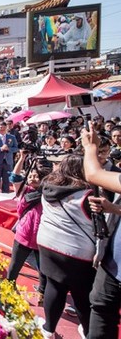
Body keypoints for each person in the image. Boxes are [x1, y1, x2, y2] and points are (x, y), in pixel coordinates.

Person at [36, 154, 96, 338]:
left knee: (54, 286)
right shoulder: (86, 194)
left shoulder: (47, 186)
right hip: (77, 252)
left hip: (48, 243)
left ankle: (48, 329)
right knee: (82, 294)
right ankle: (88, 332)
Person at [81, 122, 121, 339]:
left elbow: (94, 174)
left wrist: (90, 147)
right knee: (101, 310)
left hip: (115, 264)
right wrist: (114, 208)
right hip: (114, 261)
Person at [6, 151, 49, 303]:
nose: (32, 178)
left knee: (43, 270)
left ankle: (42, 295)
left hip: (41, 237)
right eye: (30, 175)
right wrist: (22, 158)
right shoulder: (23, 190)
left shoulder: (49, 193)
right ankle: (9, 289)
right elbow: (15, 176)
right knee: (15, 264)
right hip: (23, 234)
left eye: (36, 176)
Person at [0, 121, 19, 193]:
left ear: (6, 128)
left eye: (3, 127)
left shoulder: (12, 137)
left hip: (8, 161)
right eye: (0, 127)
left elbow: (16, 148)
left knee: (7, 180)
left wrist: (8, 149)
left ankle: (5, 193)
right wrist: (0, 149)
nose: (2, 129)